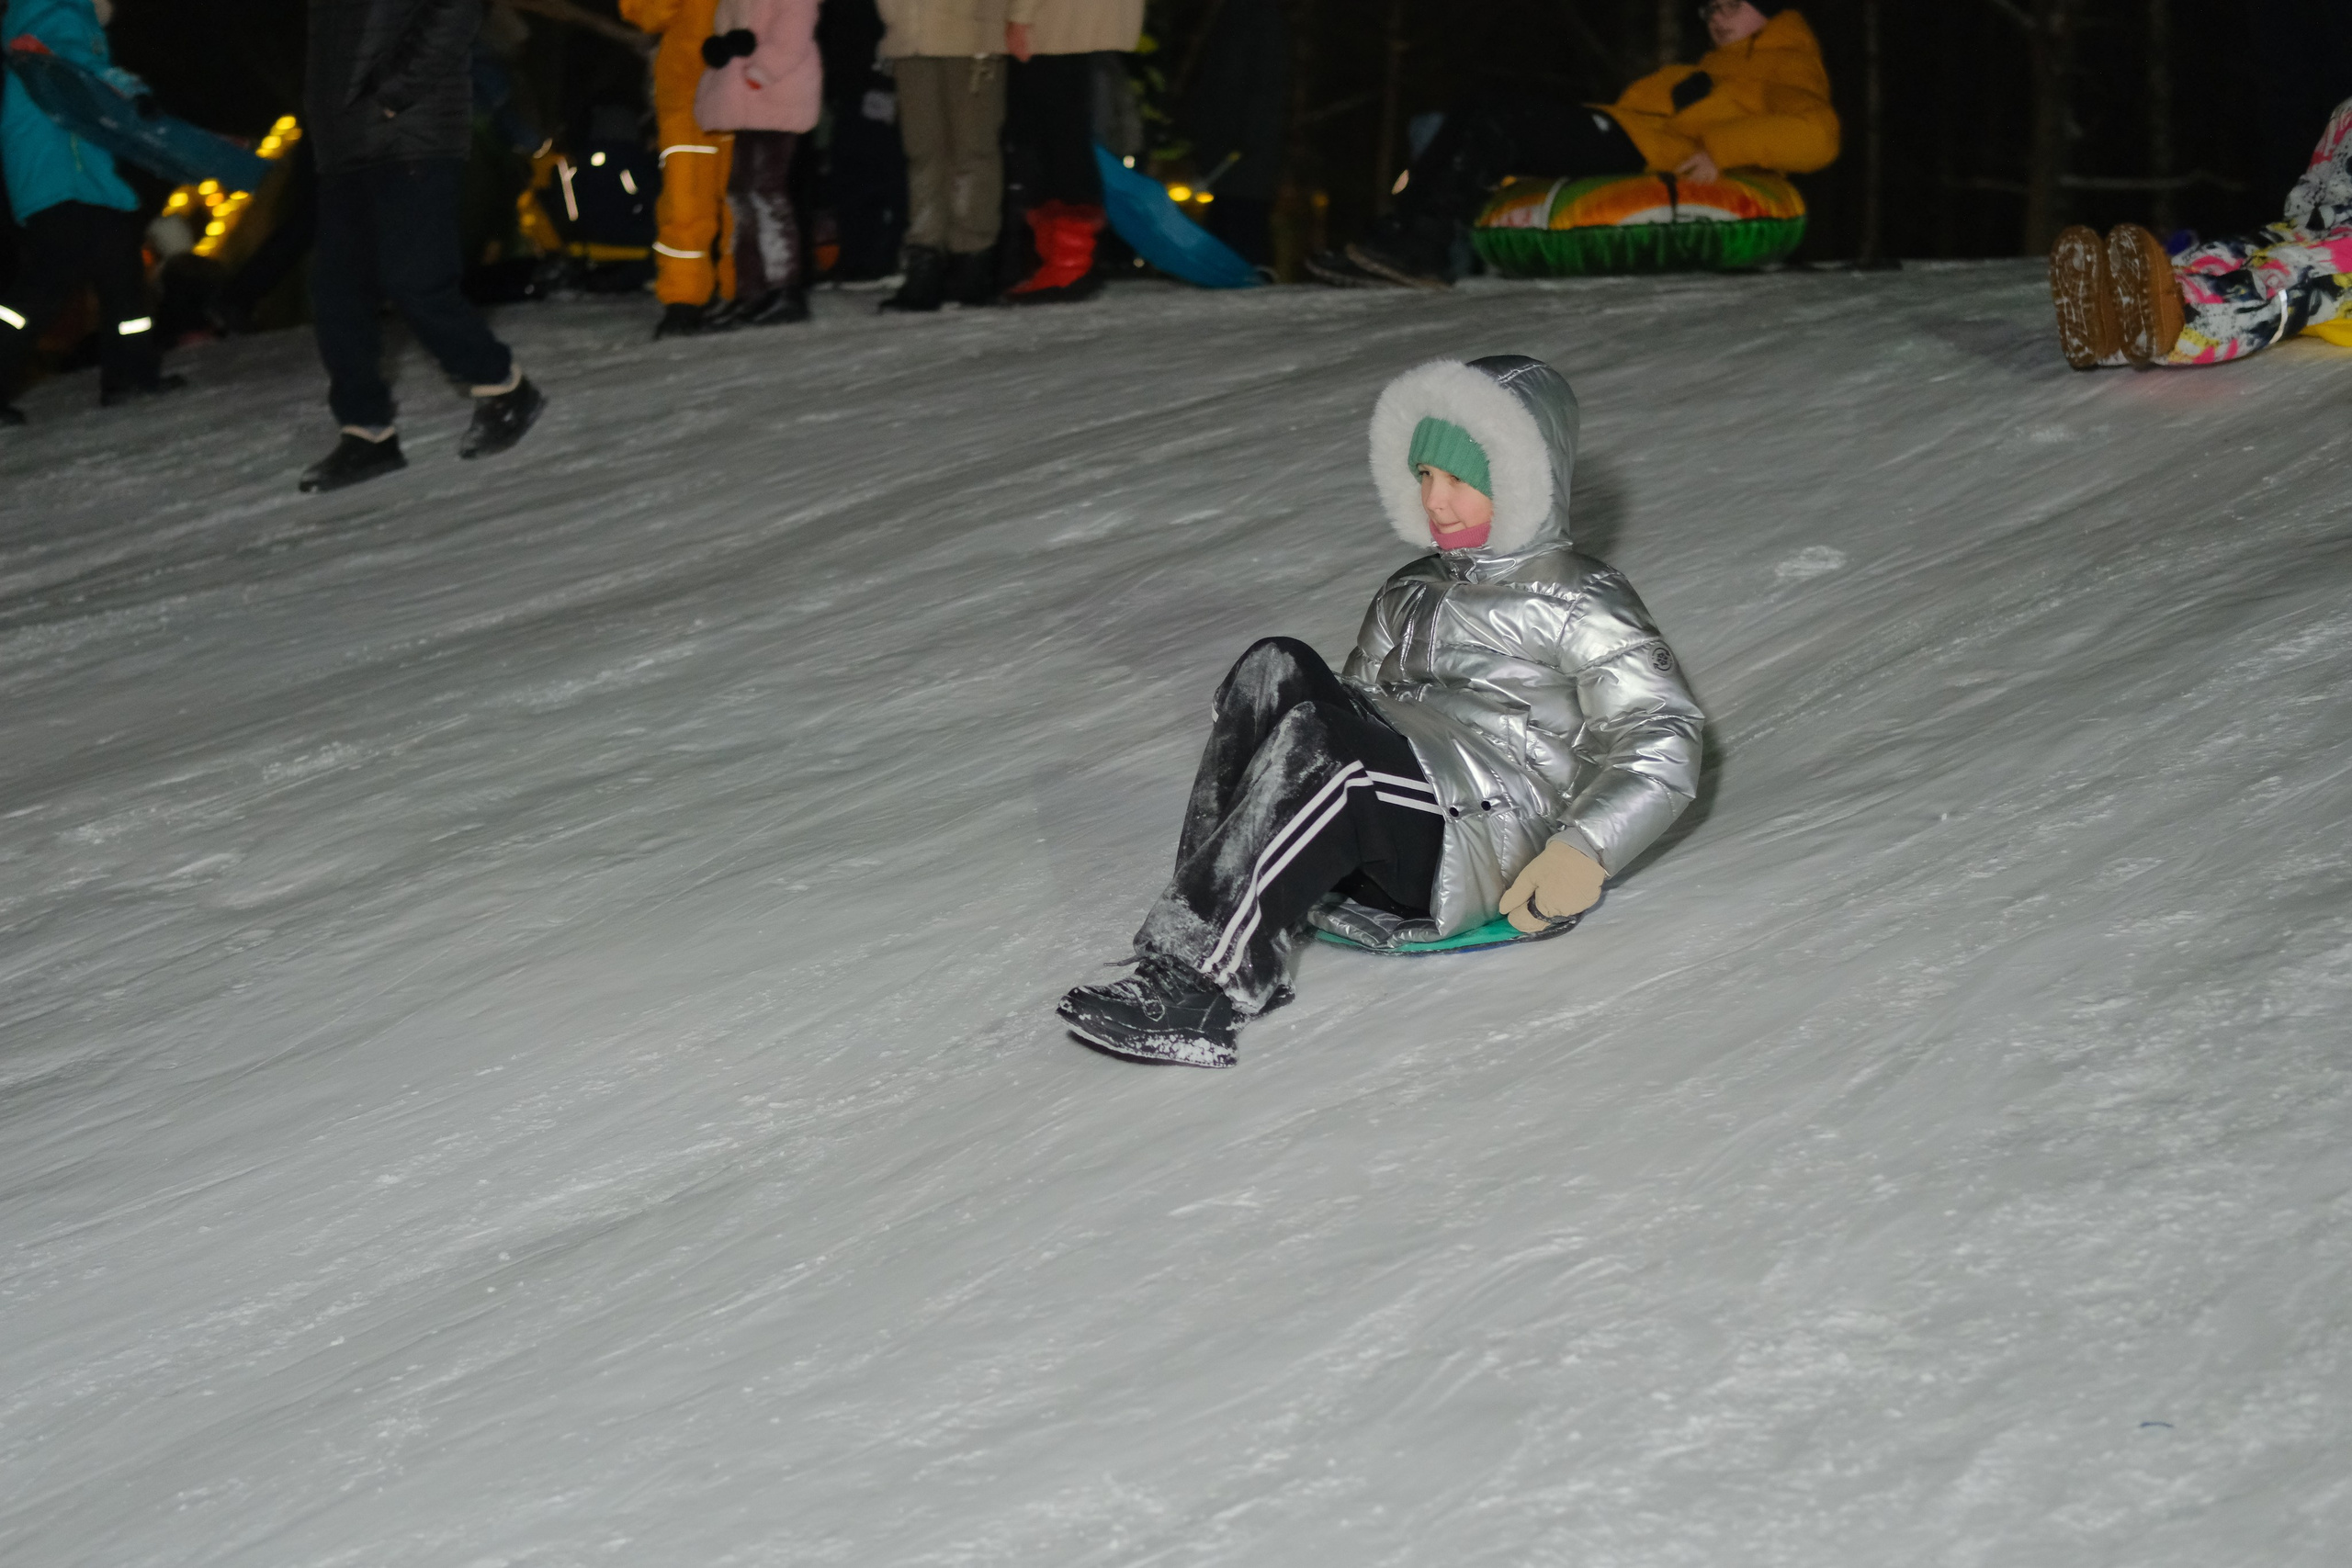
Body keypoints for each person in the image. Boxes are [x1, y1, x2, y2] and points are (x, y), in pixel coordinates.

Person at [1057, 355, 1706, 1067]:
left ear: (1524, 480)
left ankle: (1203, 985)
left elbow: (1664, 734)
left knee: (1327, 745)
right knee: (1274, 665)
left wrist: (1584, 849)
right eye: (1426, 476)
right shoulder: (1410, 588)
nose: (1437, 500)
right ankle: (1221, 928)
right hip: (1404, 809)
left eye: (1461, 480)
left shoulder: (1580, 597)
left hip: (1492, 837)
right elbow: (1359, 704)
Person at [1314, 0, 1838, 288]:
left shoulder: (1786, 60)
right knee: (1467, 113)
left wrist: (1721, 149)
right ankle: (1397, 235)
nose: (1716, 17)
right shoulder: (1710, 67)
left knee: (1499, 114)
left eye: (1729, 5)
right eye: (1708, 10)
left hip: (1648, 151)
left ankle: (1422, 250)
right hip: (1630, 136)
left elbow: (1817, 135)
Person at [300, 0, 546, 494]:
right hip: (343, 141)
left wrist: (396, 93)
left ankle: (503, 387)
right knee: (337, 292)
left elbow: (456, 10)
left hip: (411, 133)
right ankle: (367, 431)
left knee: (415, 278)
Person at [2050, 97, 2352, 370]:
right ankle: (2112, 317)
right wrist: (2304, 219)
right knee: (2230, 251)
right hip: (2317, 225)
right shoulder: (2346, 113)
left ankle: (2178, 322)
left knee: (2284, 272)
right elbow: (2315, 179)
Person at [0, 0, 181, 427]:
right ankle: (128, 376)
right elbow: (71, 61)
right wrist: (126, 88)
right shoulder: (53, 10)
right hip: (55, 176)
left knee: (122, 276)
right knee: (44, 287)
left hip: (84, 178)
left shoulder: (65, 13)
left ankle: (131, 376)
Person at [999, 0, 1141, 303]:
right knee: (1064, 133)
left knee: (1056, 136)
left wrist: (1020, 17)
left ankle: (1067, 263)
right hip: (1069, 20)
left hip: (1053, 20)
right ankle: (1065, 261)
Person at [875, 0, 1008, 311]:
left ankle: (971, 260)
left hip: (972, 35)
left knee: (972, 152)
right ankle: (925, 259)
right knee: (923, 154)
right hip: (910, 38)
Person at [697, 0, 822, 325]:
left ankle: (784, 287)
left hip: (777, 93)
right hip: (746, 98)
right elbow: (730, 24)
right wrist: (721, 48)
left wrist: (762, 70)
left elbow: (793, 29)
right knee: (740, 192)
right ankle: (751, 289)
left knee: (765, 190)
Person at [624, 0, 739, 338]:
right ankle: (684, 298)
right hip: (687, 86)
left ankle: (742, 290)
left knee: (743, 196)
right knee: (684, 198)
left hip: (746, 81)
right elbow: (644, 13)